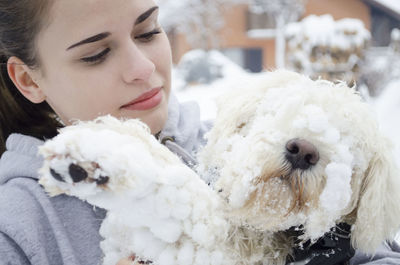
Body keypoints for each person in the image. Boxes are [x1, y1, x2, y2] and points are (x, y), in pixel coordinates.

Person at [0, 1, 398, 265]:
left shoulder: (232, 147)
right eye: (96, 54)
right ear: (28, 80)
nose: (141, 67)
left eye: (148, 32)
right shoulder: (17, 229)